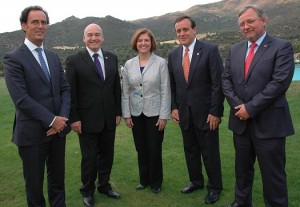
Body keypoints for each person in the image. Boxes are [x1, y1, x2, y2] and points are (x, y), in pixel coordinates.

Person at [222, 5, 295, 207]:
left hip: (269, 125)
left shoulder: (281, 47)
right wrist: (239, 107)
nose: (246, 26)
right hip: (241, 123)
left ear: (263, 21)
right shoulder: (234, 50)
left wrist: (250, 108)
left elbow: (279, 84)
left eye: (250, 21)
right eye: (242, 24)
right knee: (242, 171)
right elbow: (226, 81)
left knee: (273, 176)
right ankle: (241, 203)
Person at [3, 5, 70, 207]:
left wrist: (62, 120)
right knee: (34, 187)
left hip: (58, 132)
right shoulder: (13, 58)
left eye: (43, 22)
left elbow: (65, 89)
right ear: (24, 25)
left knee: (58, 182)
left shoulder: (52, 56)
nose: (40, 26)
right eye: (35, 22)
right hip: (32, 134)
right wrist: (52, 120)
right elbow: (21, 99)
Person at [168, 16, 224, 204]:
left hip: (207, 114)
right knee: (190, 151)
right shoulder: (174, 55)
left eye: (185, 29)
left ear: (194, 30)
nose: (182, 33)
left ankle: (215, 187)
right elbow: (174, 85)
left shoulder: (210, 50)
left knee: (210, 153)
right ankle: (196, 181)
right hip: (184, 114)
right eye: (178, 31)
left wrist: (215, 112)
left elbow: (218, 84)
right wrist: (174, 108)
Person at [65, 23, 122, 206]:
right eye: (90, 35)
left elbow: (115, 88)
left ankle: (104, 185)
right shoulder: (74, 60)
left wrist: (118, 112)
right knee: (89, 158)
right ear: (84, 38)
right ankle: (87, 190)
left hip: (108, 118)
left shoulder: (112, 57)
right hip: (86, 120)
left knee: (107, 155)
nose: (93, 38)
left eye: (97, 34)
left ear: (102, 37)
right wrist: (74, 118)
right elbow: (71, 92)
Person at [121, 28, 171, 193]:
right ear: (136, 43)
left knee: (154, 148)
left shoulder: (161, 63)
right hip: (136, 113)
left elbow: (165, 90)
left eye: (146, 40)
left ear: (151, 43)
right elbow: (125, 91)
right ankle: (144, 180)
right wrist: (126, 114)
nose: (143, 43)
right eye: (140, 40)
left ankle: (156, 182)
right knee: (141, 148)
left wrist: (164, 116)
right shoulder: (129, 64)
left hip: (155, 113)